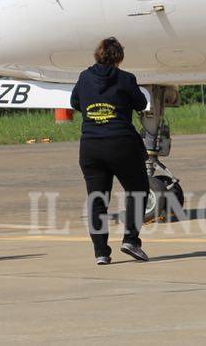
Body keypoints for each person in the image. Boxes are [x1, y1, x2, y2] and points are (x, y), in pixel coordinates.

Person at [71, 37, 151, 264]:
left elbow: (75, 102)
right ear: (119, 57)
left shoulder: (84, 77)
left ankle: (101, 252)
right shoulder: (125, 79)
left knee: (97, 199)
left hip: (91, 146)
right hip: (121, 144)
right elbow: (140, 104)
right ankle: (130, 240)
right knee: (137, 190)